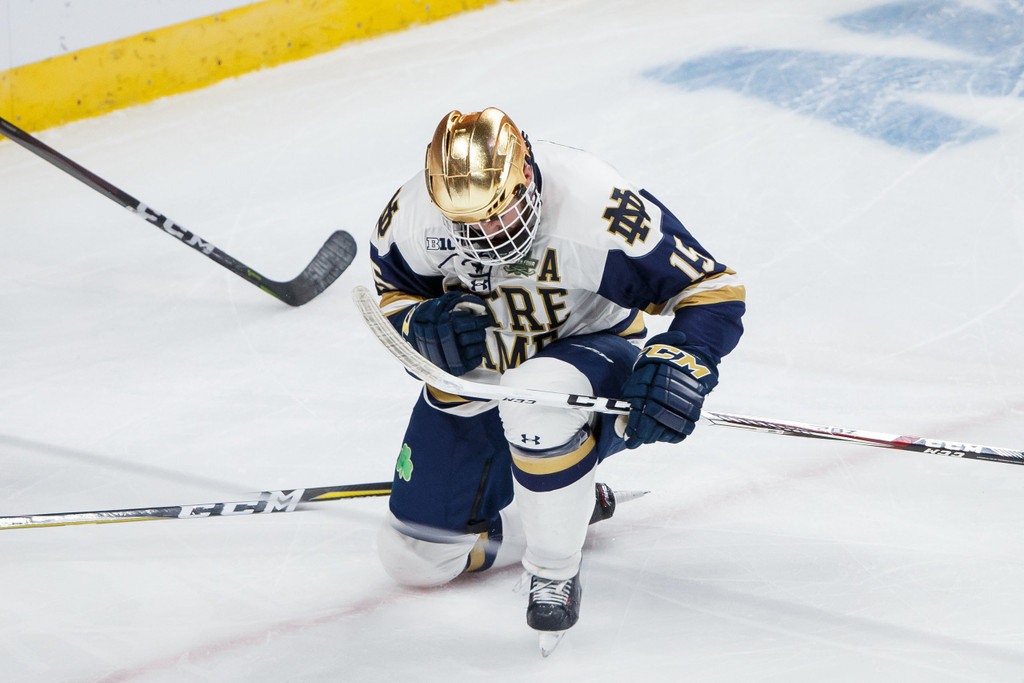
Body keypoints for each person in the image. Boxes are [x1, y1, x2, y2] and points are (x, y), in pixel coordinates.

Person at [368, 107, 745, 648]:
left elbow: (714, 289)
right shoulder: (409, 217)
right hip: (484, 376)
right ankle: (564, 502)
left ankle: (552, 571)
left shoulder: (594, 203)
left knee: (540, 399)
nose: (485, 234)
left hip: (591, 358)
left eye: (498, 211)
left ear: (525, 175)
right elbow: (393, 301)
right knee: (415, 559)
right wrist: (420, 329)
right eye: (465, 221)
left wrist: (681, 361)